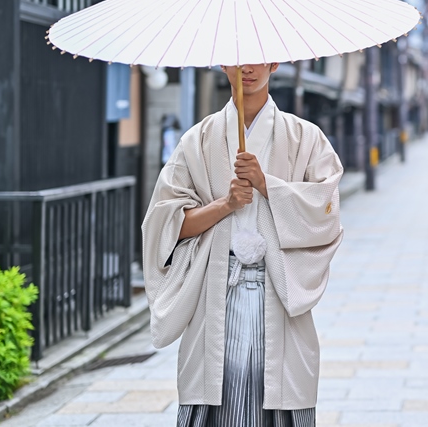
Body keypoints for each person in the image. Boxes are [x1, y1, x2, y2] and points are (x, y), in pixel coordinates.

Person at [142, 63, 343, 427]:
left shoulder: (306, 137)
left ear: (274, 63)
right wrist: (226, 204)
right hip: (217, 292)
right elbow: (166, 225)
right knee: (217, 395)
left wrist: (268, 185)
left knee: (280, 396)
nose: (247, 67)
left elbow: (326, 214)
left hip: (279, 294)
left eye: (258, 57)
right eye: (238, 58)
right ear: (223, 64)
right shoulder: (196, 141)